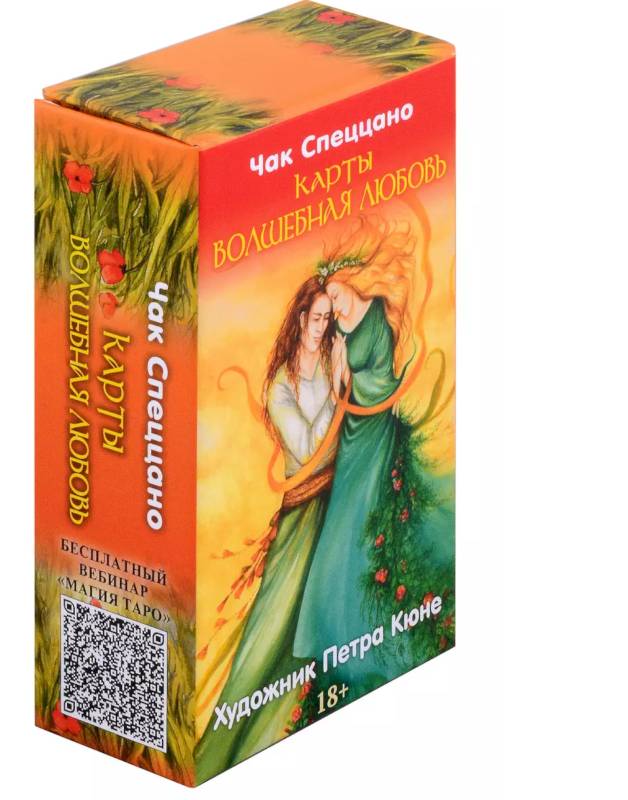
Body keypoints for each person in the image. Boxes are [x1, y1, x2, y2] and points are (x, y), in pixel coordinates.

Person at [293, 220, 455, 699]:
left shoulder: (378, 314)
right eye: (328, 302)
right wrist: (338, 375)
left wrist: (351, 376)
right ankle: (329, 631)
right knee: (343, 517)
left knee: (367, 512)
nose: (335, 306)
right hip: (353, 434)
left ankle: (372, 627)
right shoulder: (339, 329)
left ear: (351, 280)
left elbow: (381, 383)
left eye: (336, 294)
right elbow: (339, 391)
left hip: (377, 429)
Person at [195, 277, 339, 780]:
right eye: (316, 318)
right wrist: (338, 392)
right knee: (272, 629)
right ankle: (228, 744)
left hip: (336, 497)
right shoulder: (281, 386)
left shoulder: (331, 360)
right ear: (300, 319)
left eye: (328, 319)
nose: (322, 327)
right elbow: (309, 449)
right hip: (302, 513)